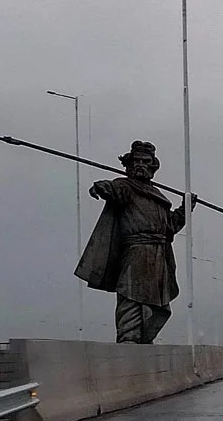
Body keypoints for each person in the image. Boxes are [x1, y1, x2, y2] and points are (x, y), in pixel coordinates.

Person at [74, 140, 196, 344]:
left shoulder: (159, 197)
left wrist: (186, 208)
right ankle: (128, 338)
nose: (140, 164)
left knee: (156, 303)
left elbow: (170, 227)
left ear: (153, 166)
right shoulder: (125, 186)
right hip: (136, 252)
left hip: (159, 256)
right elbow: (113, 191)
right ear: (129, 164)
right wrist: (103, 187)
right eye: (136, 161)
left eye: (145, 161)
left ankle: (144, 338)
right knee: (130, 294)